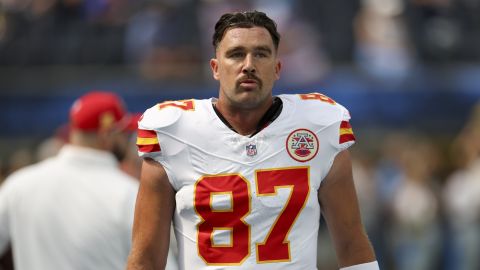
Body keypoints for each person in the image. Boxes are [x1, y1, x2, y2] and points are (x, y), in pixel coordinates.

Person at [127, 11, 378, 270]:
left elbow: (351, 242)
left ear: (277, 68)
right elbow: (146, 256)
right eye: (236, 54)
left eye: (261, 53)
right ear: (215, 68)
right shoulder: (174, 131)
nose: (248, 64)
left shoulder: (319, 125)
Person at [0, 91, 175, 270]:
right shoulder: (128, 194)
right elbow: (158, 265)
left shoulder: (18, 185)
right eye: (123, 133)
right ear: (106, 135)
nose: (127, 139)